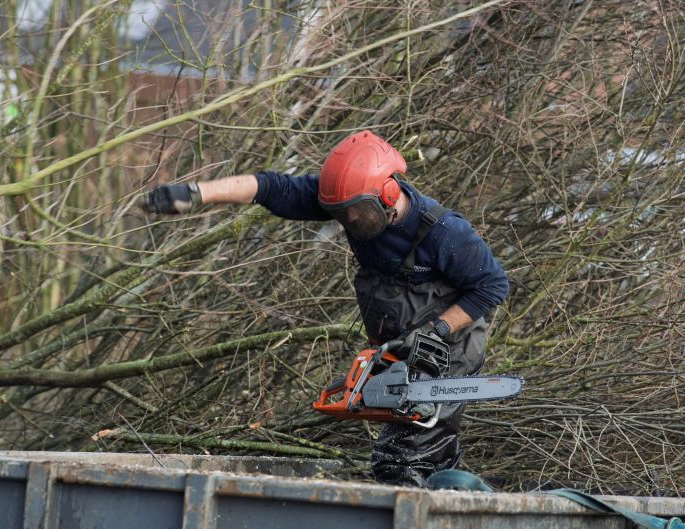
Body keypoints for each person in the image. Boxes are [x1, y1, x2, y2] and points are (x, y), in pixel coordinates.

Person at [141, 130, 509, 487]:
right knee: (425, 453)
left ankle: (418, 508)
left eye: (356, 213)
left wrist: (435, 331)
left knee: (402, 459)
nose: (350, 221)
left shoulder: (444, 231)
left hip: (449, 350)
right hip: (401, 349)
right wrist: (196, 193)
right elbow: (270, 188)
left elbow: (492, 285)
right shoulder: (350, 201)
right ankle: (452, 493)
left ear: (387, 193)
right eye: (342, 213)